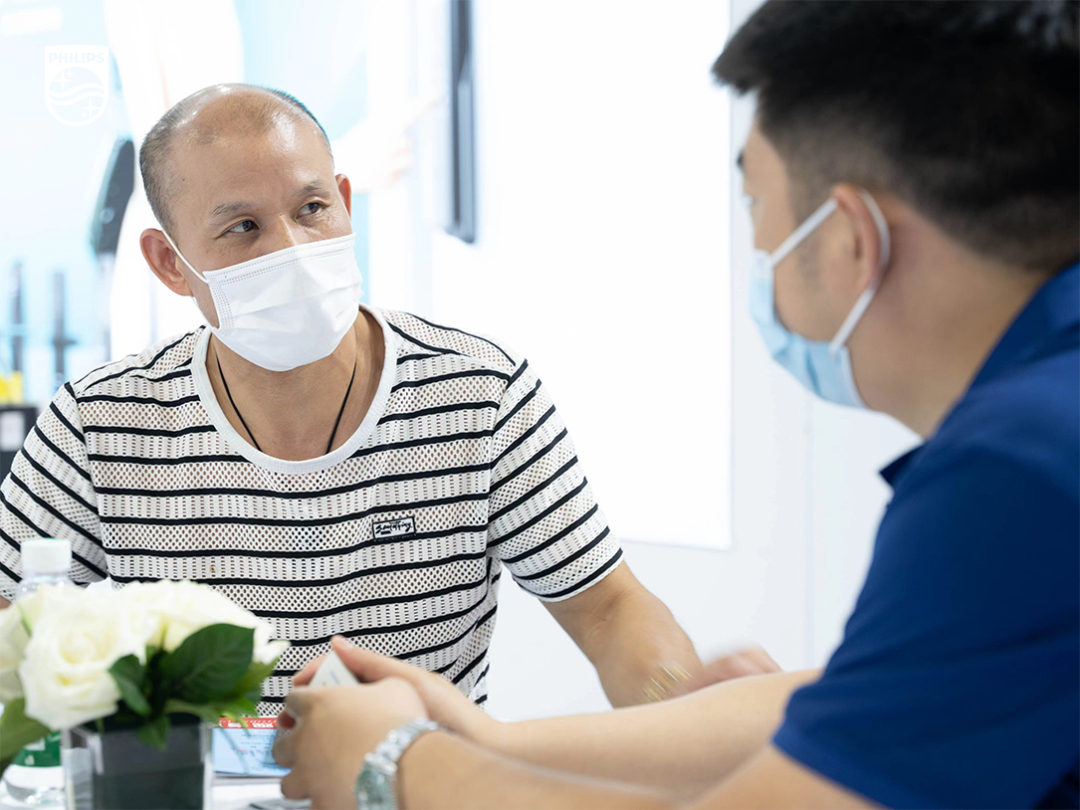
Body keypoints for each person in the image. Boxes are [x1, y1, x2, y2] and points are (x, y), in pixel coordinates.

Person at [270, 1, 1080, 808]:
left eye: (756, 207)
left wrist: (394, 769)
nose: (758, 250)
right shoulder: (1046, 420)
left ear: (849, 240)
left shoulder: (1014, 472)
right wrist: (482, 739)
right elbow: (872, 704)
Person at [0, 84, 777, 713]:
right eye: (242, 228)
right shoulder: (98, 425)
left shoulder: (480, 395)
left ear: (344, 198)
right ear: (171, 264)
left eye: (311, 209)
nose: (293, 253)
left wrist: (684, 710)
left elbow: (609, 611)